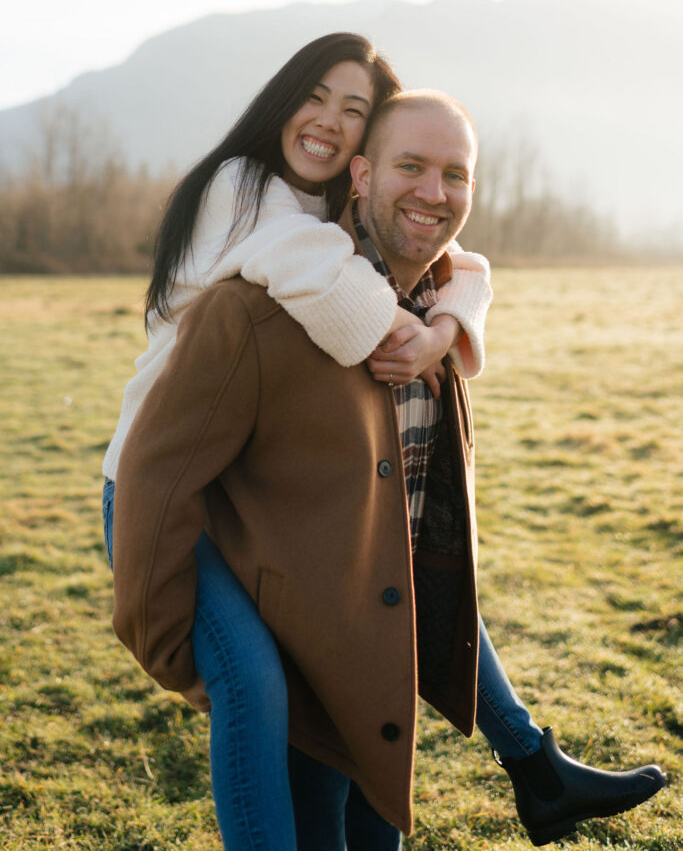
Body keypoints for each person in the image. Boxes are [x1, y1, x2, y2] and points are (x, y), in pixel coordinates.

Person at [111, 89, 665, 848]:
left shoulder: (440, 308)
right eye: (410, 166)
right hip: (306, 654)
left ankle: (538, 770)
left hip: (381, 656)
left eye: (455, 175)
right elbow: (158, 478)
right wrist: (174, 638)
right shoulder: (251, 313)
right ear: (361, 176)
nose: (434, 193)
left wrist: (445, 324)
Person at [102, 33, 493, 848]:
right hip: (154, 482)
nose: (326, 120)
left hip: (236, 487)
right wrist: (414, 334)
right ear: (282, 99)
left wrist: (450, 314)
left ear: (362, 152)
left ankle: (528, 754)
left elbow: (463, 263)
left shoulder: (325, 212)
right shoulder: (242, 191)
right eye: (314, 95)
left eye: (354, 111)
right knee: (251, 685)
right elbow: (324, 282)